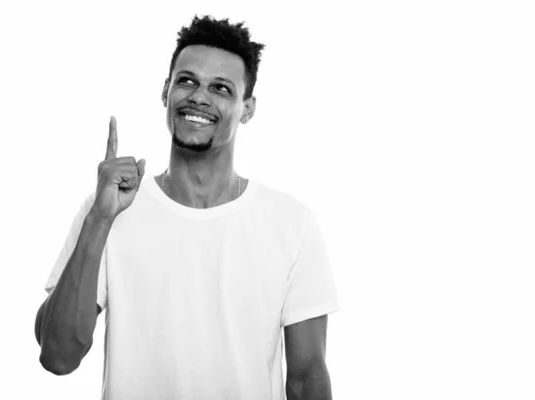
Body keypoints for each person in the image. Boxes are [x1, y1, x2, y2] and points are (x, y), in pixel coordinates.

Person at [35, 15, 341, 400]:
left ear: (247, 109)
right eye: (187, 81)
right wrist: (99, 219)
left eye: (221, 88)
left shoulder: (290, 223)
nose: (199, 96)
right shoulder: (108, 208)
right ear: (165, 92)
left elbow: (307, 377)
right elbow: (58, 356)